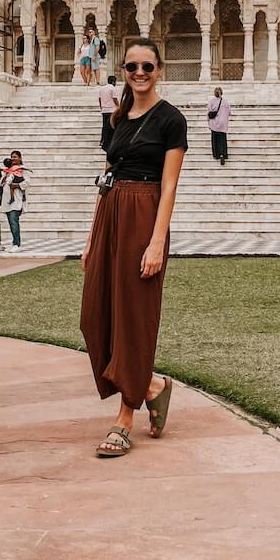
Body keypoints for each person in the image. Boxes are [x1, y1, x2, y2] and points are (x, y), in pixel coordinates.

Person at [80, 38, 188, 459]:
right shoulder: (117, 118)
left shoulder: (171, 120)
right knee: (94, 316)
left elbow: (170, 185)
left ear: (160, 70)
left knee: (133, 318)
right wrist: (91, 238)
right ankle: (152, 385)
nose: (139, 74)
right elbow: (106, 176)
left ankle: (125, 419)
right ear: (123, 71)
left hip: (144, 214)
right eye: (131, 67)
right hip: (111, 212)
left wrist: (157, 241)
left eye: (147, 67)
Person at [0, 150, 30, 251]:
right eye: (12, 157)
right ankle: (14, 243)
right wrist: (6, 175)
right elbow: (1, 183)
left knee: (14, 221)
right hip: (7, 199)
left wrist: (16, 185)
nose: (13, 159)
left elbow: (27, 182)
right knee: (10, 221)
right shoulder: (9, 170)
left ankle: (17, 244)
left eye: (15, 157)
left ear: (20, 158)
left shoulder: (22, 170)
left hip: (17, 199)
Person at [207, 86, 231, 165]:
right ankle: (223, 154)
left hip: (214, 124)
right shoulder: (226, 102)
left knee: (215, 139)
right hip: (223, 124)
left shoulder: (211, 101)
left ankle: (216, 154)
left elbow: (209, 112)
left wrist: (208, 121)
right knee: (222, 139)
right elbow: (229, 113)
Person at [98, 75, 119, 150]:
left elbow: (100, 99)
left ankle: (102, 140)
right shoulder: (113, 88)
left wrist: (101, 107)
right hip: (112, 110)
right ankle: (111, 141)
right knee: (112, 126)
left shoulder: (102, 88)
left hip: (104, 110)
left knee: (104, 126)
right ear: (113, 81)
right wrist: (118, 106)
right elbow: (114, 98)